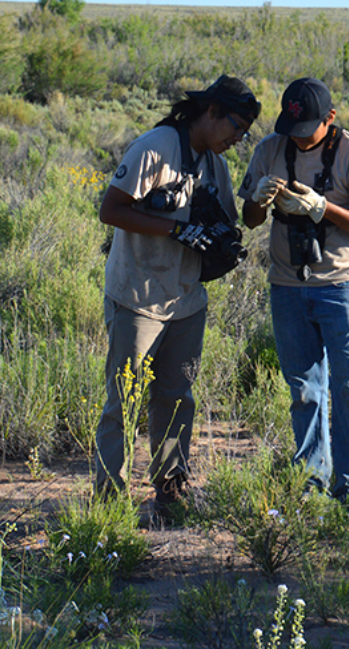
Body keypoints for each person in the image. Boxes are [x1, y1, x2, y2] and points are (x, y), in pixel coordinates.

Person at [95, 75, 261, 518]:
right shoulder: (155, 147)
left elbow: (226, 221)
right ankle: (108, 504)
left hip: (186, 301)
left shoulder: (216, 166)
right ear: (211, 112)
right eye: (236, 127)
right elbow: (110, 210)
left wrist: (223, 238)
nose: (237, 139)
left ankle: (171, 495)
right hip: (137, 296)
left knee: (176, 399)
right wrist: (175, 227)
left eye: (245, 133)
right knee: (124, 403)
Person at [238, 77, 349, 500]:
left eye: (309, 132)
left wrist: (324, 209)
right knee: (304, 390)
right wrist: (259, 201)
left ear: (331, 117)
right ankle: (310, 484)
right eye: (293, 132)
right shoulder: (270, 149)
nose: (300, 141)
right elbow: (250, 219)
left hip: (341, 286)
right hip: (287, 285)